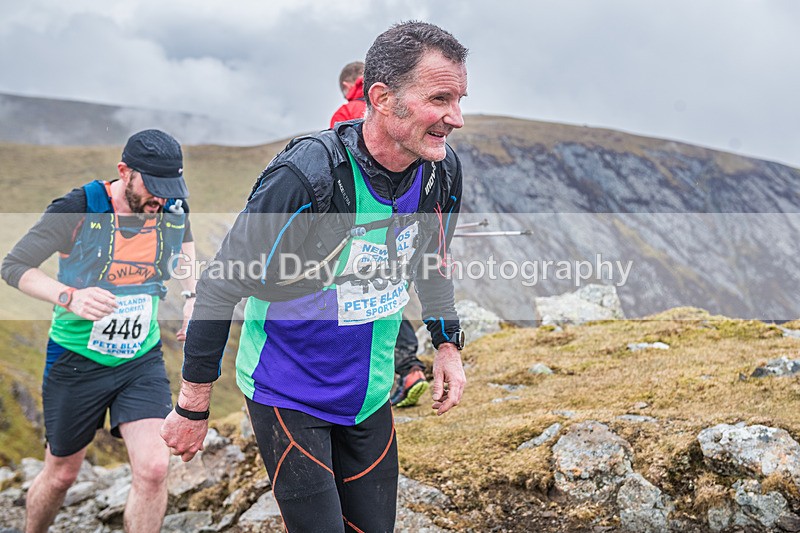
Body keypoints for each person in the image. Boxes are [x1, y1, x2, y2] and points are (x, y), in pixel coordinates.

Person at [162, 21, 468, 532]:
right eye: (440, 98)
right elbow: (222, 284)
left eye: (460, 99)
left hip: (369, 392)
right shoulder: (308, 175)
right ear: (383, 97)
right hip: (288, 390)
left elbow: (432, 262)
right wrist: (193, 406)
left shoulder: (440, 170)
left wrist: (447, 345)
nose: (455, 118)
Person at [1, 129, 196, 533]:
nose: (161, 199)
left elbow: (185, 245)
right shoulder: (76, 208)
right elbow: (14, 267)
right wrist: (69, 296)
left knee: (155, 468)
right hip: (77, 360)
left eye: (169, 189)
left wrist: (193, 296)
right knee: (62, 475)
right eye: (153, 188)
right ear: (124, 172)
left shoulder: (172, 207)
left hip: (140, 361)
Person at [330, 60, 430, 408]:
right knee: (388, 296)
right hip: (399, 222)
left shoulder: (345, 112)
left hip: (359, 229)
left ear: (348, 85)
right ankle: (410, 368)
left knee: (361, 302)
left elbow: (340, 169)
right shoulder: (396, 110)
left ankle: (381, 376)